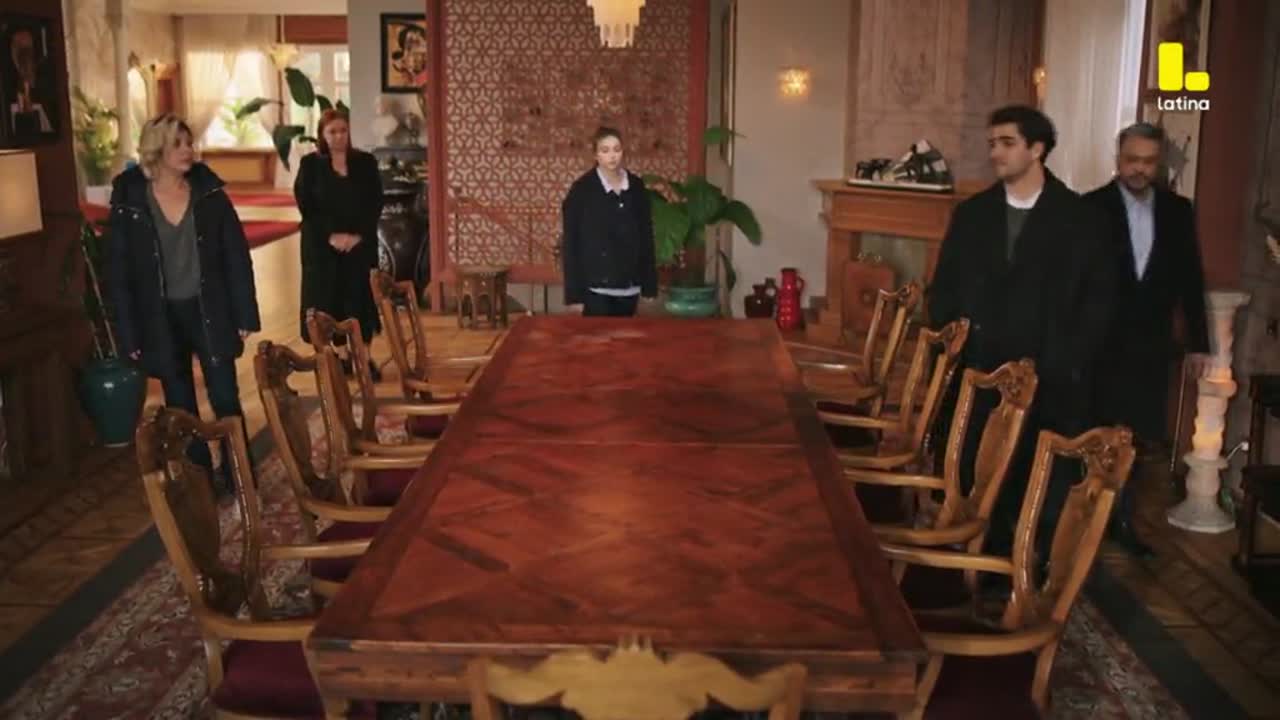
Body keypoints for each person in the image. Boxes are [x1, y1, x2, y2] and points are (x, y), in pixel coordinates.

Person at [928, 105, 1115, 559]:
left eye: (1007, 143)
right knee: (974, 475)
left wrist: (1068, 360)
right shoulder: (973, 214)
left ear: (1037, 149)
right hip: (979, 371)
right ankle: (971, 559)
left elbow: (1098, 301)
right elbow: (945, 287)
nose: (996, 152)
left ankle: (1026, 568)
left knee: (1038, 487)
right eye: (992, 143)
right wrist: (951, 348)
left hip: (1050, 376)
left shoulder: (1080, 218)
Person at [107, 113, 260, 493]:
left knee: (225, 397)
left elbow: (236, 255)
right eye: (178, 144)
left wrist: (244, 313)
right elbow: (119, 272)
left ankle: (240, 475)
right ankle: (200, 481)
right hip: (159, 318)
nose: (188, 150)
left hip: (210, 308)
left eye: (189, 143)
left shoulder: (209, 193)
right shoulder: (129, 200)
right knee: (180, 408)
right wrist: (129, 335)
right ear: (157, 148)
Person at [1085, 122, 1210, 557]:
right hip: (1098, 345)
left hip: (1150, 347)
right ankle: (1084, 521)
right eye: (1131, 160)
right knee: (1096, 433)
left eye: (1148, 161)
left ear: (1159, 164)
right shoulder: (1090, 208)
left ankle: (1121, 520)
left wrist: (1199, 343)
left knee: (1136, 438)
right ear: (1117, 159)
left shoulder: (1178, 211)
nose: (1139, 169)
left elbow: (1191, 279)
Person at [295, 109, 385, 378]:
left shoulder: (365, 162)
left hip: (359, 244)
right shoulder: (310, 166)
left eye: (343, 130)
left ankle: (364, 358)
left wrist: (356, 236)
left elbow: (375, 202)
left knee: (360, 300)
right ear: (322, 135)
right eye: (332, 132)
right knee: (330, 299)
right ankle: (342, 356)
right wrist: (331, 236)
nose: (338, 136)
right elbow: (307, 207)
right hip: (323, 247)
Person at [561, 126, 657, 317]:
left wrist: (649, 286)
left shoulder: (636, 187)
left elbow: (646, 237)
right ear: (595, 155)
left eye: (616, 149)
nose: (612, 156)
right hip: (596, 288)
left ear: (623, 152)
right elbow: (571, 243)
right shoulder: (582, 190)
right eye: (605, 150)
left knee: (628, 336)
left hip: (630, 286)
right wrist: (574, 295)